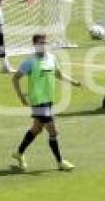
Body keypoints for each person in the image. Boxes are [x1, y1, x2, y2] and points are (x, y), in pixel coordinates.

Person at [11, 34, 80, 172]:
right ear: (34, 45)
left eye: (45, 42)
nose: (43, 45)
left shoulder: (52, 58)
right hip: (38, 101)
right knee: (53, 131)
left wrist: (73, 82)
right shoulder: (30, 61)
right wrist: (21, 96)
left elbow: (59, 75)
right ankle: (60, 162)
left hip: (49, 100)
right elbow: (15, 78)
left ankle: (18, 153)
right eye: (40, 43)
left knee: (37, 129)